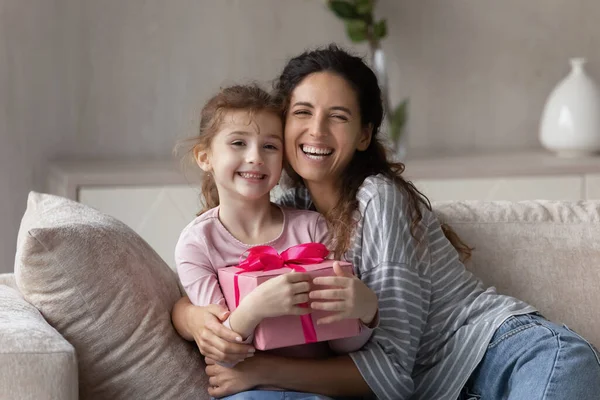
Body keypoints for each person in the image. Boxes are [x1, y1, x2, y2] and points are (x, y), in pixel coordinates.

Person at [172, 46, 600, 400]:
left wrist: (264, 369)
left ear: (363, 135)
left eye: (338, 116)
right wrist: (188, 316)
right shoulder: (292, 213)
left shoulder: (378, 199)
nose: (316, 130)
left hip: (515, 354)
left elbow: (391, 377)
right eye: (302, 113)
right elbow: (205, 272)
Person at [173, 84, 379, 399]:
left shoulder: (313, 230)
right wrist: (255, 309)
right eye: (238, 143)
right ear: (205, 157)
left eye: (270, 146)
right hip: (248, 393)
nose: (255, 157)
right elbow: (223, 353)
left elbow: (341, 344)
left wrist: (365, 312)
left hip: (317, 392)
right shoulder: (197, 243)